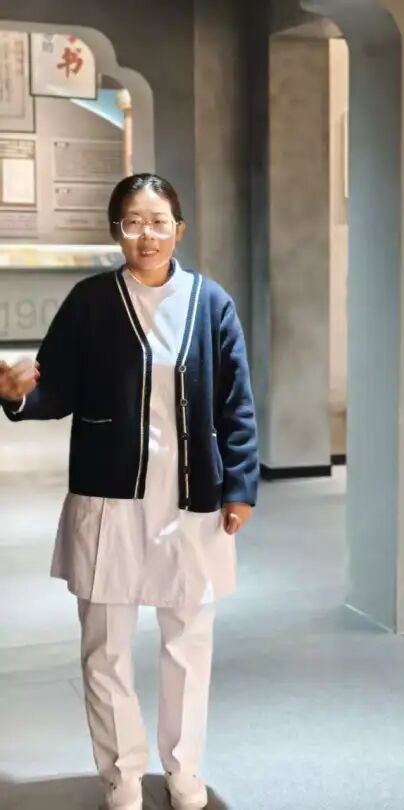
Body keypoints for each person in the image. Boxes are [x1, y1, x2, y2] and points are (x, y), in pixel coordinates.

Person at [0, 173, 258, 810]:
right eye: (133, 222)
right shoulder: (90, 301)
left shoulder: (211, 304)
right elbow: (54, 388)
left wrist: (240, 485)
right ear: (116, 230)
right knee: (105, 648)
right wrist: (19, 395)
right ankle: (122, 776)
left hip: (191, 499)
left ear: (179, 229)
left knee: (188, 642)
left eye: (159, 222)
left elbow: (236, 403)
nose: (147, 235)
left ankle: (184, 770)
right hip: (108, 499)